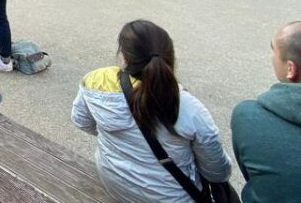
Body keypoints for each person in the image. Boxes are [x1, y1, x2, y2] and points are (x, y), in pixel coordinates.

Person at [71, 20, 231, 203]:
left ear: (123, 57)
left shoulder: (95, 82)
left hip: (116, 185)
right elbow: (217, 173)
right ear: (170, 57)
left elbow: (81, 121)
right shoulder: (188, 107)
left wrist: (119, 135)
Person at [231, 21, 301, 202]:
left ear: (291, 68)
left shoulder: (248, 116)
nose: (271, 58)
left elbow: (251, 173)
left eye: (274, 51)